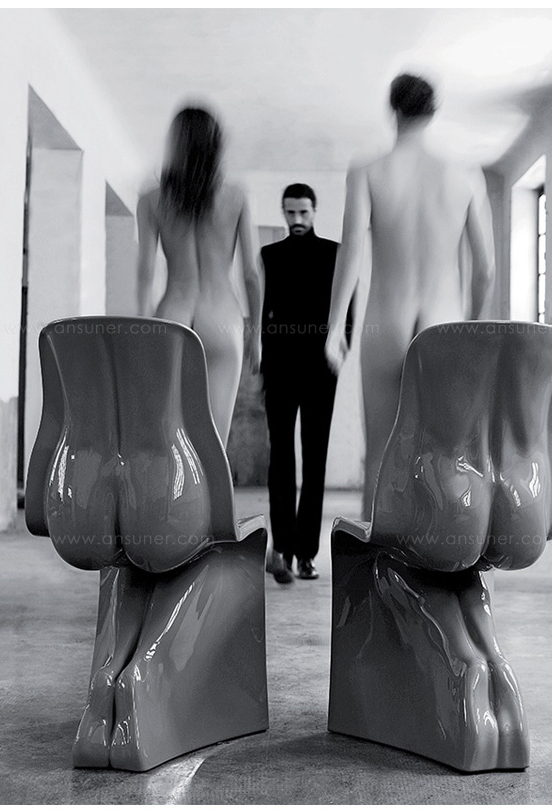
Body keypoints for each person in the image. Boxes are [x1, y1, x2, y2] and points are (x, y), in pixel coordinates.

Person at [325, 73, 496, 519]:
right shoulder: (466, 174)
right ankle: (443, 554)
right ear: (432, 112)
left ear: (394, 110)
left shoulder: (367, 169)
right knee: (447, 455)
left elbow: (351, 250)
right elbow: (485, 269)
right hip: (445, 323)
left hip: (386, 321)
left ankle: (377, 558)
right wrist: (473, 328)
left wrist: (334, 327)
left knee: (381, 456)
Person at [137, 106, 261, 444]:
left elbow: (146, 272)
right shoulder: (236, 196)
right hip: (222, 320)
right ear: (216, 145)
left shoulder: (151, 199)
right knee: (213, 444)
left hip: (173, 315)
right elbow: (251, 274)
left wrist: (142, 328)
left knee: (169, 440)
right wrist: (257, 335)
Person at [260, 184, 350, 583]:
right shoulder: (270, 256)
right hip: (279, 368)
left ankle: (307, 555)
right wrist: (262, 358)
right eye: (290, 212)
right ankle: (282, 546)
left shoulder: (334, 254)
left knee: (315, 461)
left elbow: (346, 308)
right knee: (280, 459)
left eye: (303, 212)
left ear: (315, 211)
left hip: (319, 370)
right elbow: (262, 310)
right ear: (283, 212)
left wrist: (340, 350)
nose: (297, 220)